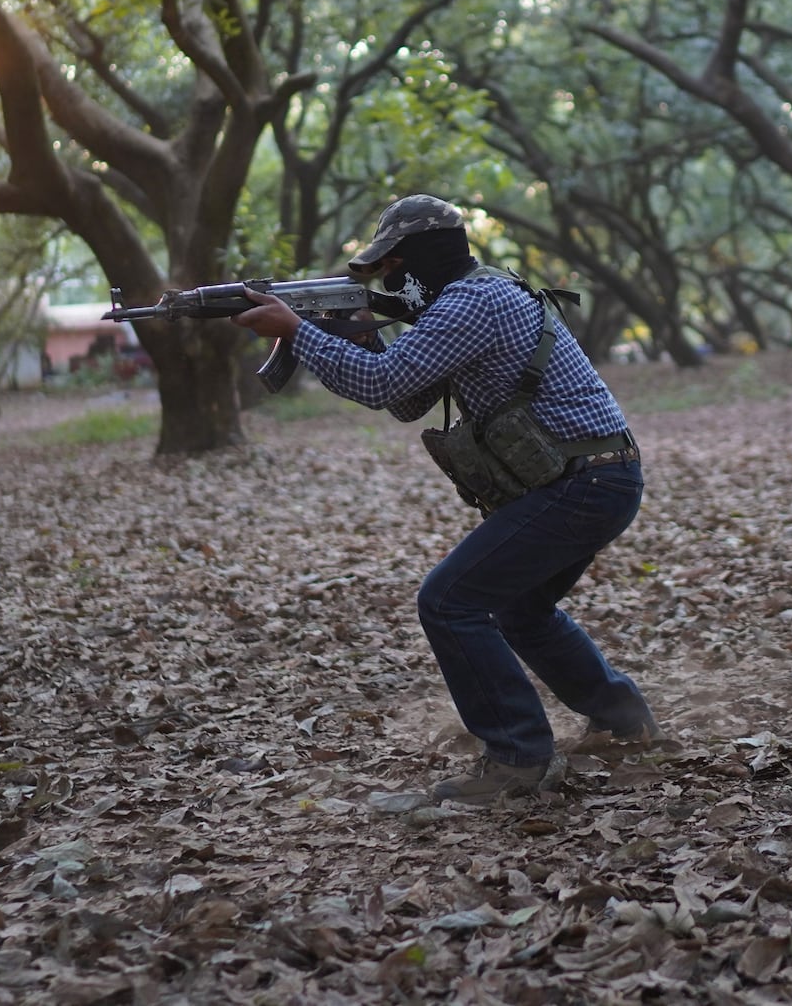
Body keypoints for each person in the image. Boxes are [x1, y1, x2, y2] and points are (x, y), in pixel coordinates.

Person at [235, 195, 658, 801]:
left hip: (584, 481)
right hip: (596, 476)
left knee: (449, 600)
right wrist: (352, 334)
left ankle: (517, 758)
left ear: (422, 259)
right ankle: (625, 722)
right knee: (520, 611)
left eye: (390, 267)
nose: (386, 280)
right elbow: (406, 398)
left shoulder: (471, 302)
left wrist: (299, 332)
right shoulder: (473, 296)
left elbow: (383, 386)